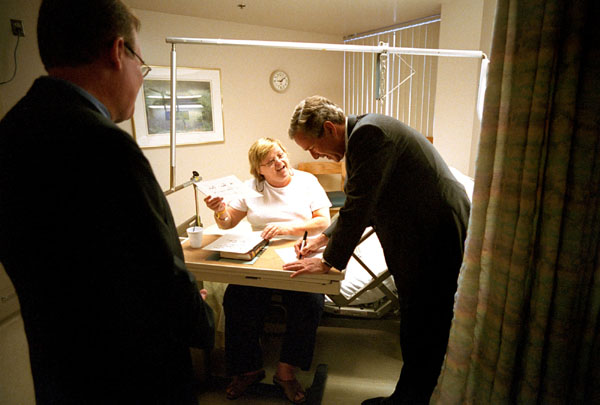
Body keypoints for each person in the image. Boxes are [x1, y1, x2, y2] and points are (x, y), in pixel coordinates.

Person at [0, 1, 214, 403]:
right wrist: (204, 318)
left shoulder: (11, 133)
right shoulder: (106, 146)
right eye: (141, 64)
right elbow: (162, 274)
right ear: (118, 52)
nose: (139, 78)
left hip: (60, 374)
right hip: (136, 378)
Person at [283, 96, 471, 405]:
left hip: (433, 232)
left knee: (424, 323)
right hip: (423, 230)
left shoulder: (370, 135)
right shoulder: (364, 133)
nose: (316, 155)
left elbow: (359, 206)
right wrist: (322, 239)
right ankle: (410, 397)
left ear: (329, 128)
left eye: (312, 147)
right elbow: (367, 205)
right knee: (418, 323)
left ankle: (410, 400)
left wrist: (329, 263)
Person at [203, 137, 331, 404]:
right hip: (259, 256)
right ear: (258, 169)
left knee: (310, 302)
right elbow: (227, 224)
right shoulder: (250, 187)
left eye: (281, 155)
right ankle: (249, 369)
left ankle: (285, 372)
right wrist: (219, 211)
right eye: (270, 161)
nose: (280, 163)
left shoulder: (306, 182)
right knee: (236, 298)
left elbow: (323, 221)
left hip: (298, 253)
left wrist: (287, 229)